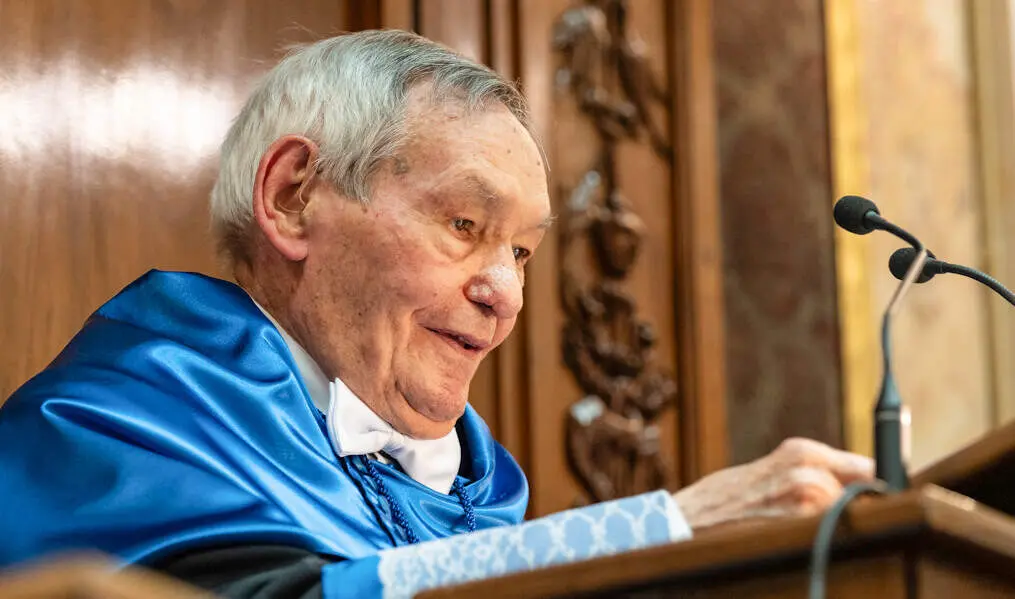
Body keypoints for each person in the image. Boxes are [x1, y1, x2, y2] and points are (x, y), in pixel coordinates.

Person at [0, 30, 873, 598]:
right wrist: (669, 531)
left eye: (522, 252)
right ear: (293, 196)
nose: (507, 293)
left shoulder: (478, 489)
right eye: (464, 224)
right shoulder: (126, 418)